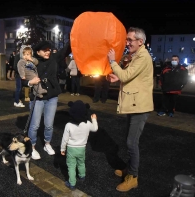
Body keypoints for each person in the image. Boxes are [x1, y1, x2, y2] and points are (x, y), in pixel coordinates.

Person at [107, 27, 154, 192]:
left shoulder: (143, 57)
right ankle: (129, 169)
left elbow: (127, 76)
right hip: (135, 104)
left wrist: (112, 61)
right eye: (127, 40)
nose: (127, 43)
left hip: (140, 107)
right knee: (129, 140)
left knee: (131, 143)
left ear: (140, 41)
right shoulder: (137, 56)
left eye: (130, 40)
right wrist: (117, 77)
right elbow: (131, 78)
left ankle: (133, 177)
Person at [22, 40, 71, 160]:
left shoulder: (54, 58)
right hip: (37, 97)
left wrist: (74, 36)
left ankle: (47, 144)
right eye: (45, 50)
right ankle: (32, 147)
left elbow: (67, 49)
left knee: (49, 124)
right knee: (34, 125)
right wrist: (29, 82)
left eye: (49, 49)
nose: (48, 52)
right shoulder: (30, 61)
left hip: (52, 96)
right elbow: (21, 77)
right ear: (38, 52)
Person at [60, 100, 98, 190]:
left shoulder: (68, 125)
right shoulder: (87, 123)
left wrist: (62, 149)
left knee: (71, 166)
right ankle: (82, 176)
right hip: (82, 148)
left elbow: (65, 139)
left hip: (71, 149)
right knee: (81, 162)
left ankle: (72, 183)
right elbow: (95, 129)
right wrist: (94, 119)